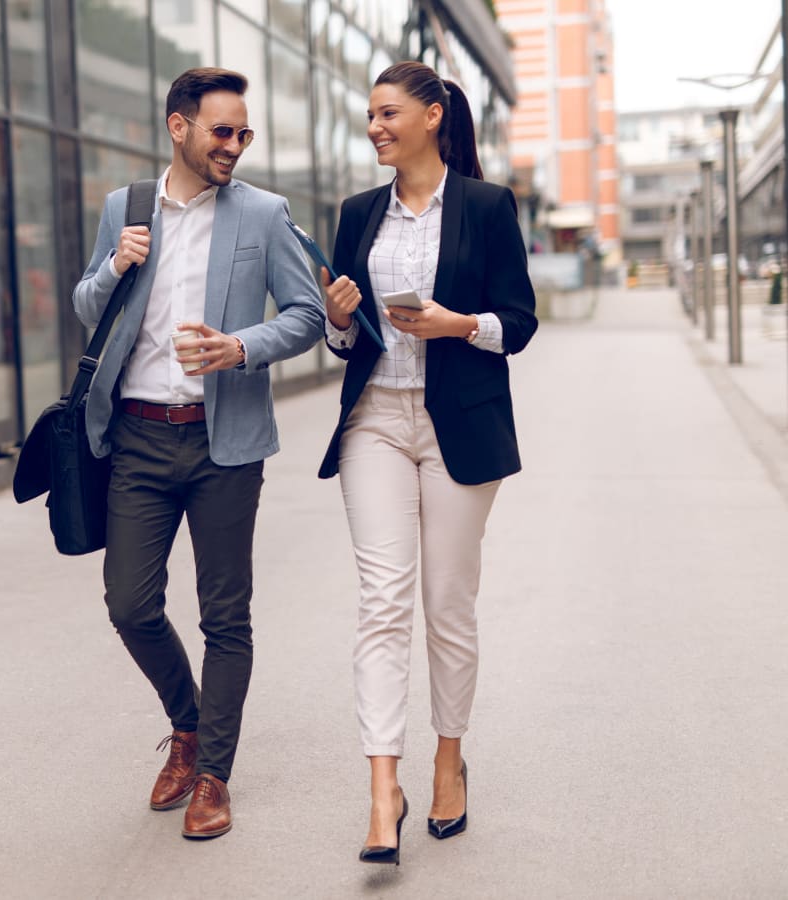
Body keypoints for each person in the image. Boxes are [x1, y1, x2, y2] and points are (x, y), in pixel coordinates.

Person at [73, 67, 324, 840]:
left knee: (226, 616)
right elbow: (88, 307)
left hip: (225, 444)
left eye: (244, 133)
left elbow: (308, 313)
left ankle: (213, 772)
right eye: (223, 131)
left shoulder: (263, 213)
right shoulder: (126, 208)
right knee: (130, 604)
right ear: (179, 127)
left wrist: (240, 347)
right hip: (139, 438)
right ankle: (186, 724)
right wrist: (115, 265)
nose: (236, 146)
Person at [318, 61, 538, 865]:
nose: (375, 127)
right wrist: (340, 321)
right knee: (382, 601)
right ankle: (383, 790)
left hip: (458, 429)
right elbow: (344, 343)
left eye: (387, 113)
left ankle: (449, 759)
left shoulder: (486, 206)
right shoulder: (356, 213)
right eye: (369, 116)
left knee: (447, 602)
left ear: (433, 115)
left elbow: (518, 322)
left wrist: (457, 325)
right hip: (374, 418)